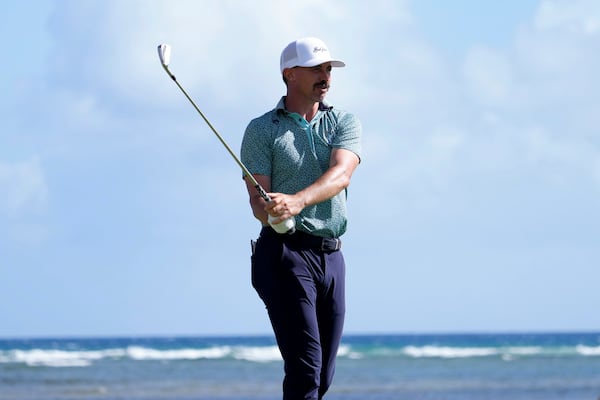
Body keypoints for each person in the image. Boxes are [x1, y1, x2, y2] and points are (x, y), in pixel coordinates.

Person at [240, 37, 362, 400]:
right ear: (289, 74)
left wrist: (296, 201)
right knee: (306, 368)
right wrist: (272, 211)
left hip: (332, 257)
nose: (325, 76)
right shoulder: (262, 129)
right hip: (284, 255)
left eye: (328, 69)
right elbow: (257, 201)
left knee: (322, 375)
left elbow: (342, 173)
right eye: (316, 69)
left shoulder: (343, 120)